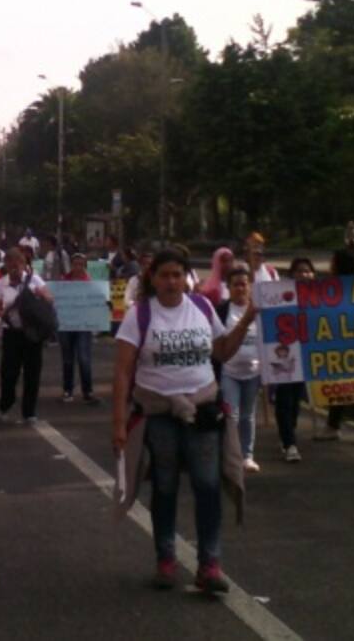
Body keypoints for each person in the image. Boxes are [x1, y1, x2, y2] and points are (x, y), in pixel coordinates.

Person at [111, 248, 258, 594]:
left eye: (178, 274)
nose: (172, 281)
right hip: (159, 414)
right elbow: (122, 371)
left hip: (202, 412)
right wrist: (118, 423)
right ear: (153, 279)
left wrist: (249, 318)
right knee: (165, 487)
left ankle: (210, 564)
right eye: (165, 275)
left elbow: (221, 351)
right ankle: (166, 560)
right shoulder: (140, 315)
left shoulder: (203, 308)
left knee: (207, 486)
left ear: (187, 277)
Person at [0, 246, 55, 423]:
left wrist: (39, 293)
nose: (14, 268)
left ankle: (29, 412)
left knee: (32, 372)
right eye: (10, 264)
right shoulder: (1, 283)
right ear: (5, 265)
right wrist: (2, 312)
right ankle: (6, 404)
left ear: (23, 264)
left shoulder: (34, 280)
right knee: (8, 372)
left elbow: (49, 298)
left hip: (32, 334)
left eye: (17, 264)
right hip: (11, 333)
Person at [316, 249, 354, 444]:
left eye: (333, 262)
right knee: (338, 386)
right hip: (337, 344)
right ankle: (333, 425)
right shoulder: (330, 287)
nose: (330, 265)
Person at [217, 264, 262, 472]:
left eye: (244, 284)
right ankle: (231, 455)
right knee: (232, 415)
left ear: (250, 286)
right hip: (229, 373)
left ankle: (247, 456)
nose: (240, 288)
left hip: (254, 373)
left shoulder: (259, 310)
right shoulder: (221, 311)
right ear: (228, 287)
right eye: (235, 285)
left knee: (248, 415)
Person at [275, 257, 315, 462]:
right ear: (291, 275)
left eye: (308, 271)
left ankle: (288, 434)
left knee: (296, 400)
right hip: (283, 354)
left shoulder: (319, 297)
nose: (304, 274)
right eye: (299, 271)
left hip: (305, 355)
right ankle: (289, 443)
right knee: (285, 399)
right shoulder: (281, 295)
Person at [59, 252, 100, 404]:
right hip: (67, 324)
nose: (78, 267)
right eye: (75, 264)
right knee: (68, 359)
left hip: (83, 324)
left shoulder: (89, 283)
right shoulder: (64, 281)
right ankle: (67, 390)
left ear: (85, 266)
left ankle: (87, 391)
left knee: (84, 358)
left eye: (81, 264)